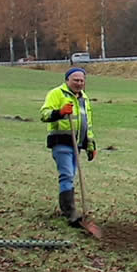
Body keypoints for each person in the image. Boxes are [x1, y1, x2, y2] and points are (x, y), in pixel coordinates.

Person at [39, 67, 96, 227]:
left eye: (81, 80)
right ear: (67, 80)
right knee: (67, 175)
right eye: (75, 80)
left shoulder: (84, 98)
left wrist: (91, 145)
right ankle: (70, 212)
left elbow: (87, 124)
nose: (79, 83)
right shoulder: (56, 94)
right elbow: (44, 114)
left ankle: (70, 209)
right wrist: (60, 112)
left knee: (71, 175)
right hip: (61, 141)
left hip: (77, 144)